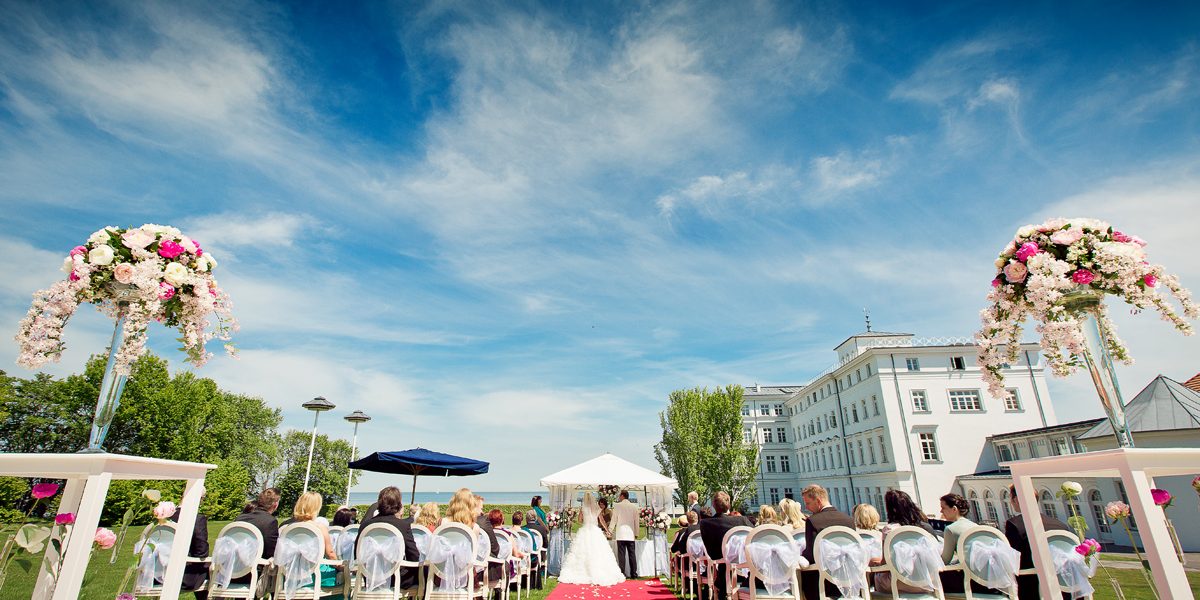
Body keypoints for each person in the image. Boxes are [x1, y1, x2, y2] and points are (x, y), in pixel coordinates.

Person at [1004, 484, 1070, 600]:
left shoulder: (1014, 525)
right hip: (1063, 586)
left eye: (1010, 498)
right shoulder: (1060, 525)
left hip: (1032, 587)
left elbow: (1014, 560)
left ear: (1016, 499)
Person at [352, 487, 420, 590]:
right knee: (423, 573)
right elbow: (414, 556)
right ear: (398, 505)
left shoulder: (365, 525)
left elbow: (357, 553)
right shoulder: (402, 525)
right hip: (395, 579)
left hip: (370, 577)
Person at [871, 490, 936, 594]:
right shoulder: (925, 528)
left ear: (892, 509)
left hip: (898, 582)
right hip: (926, 581)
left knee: (877, 576)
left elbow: (886, 563)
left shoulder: (890, 530)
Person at [557, 492, 626, 585]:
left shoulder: (583, 509)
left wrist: (583, 518)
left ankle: (583, 572)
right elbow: (601, 521)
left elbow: (580, 520)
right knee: (598, 551)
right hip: (595, 531)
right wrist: (607, 530)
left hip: (585, 530)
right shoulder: (597, 508)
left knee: (582, 552)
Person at [799, 484, 854, 600]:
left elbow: (812, 554)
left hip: (822, 581)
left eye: (808, 503)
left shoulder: (813, 521)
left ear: (818, 501)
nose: (806, 507)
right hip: (847, 577)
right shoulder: (849, 520)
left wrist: (800, 556)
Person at [699, 491, 752, 600]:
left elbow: (712, 554)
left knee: (725, 563)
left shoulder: (706, 523)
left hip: (724, 566)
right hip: (747, 565)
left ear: (713, 505)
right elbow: (754, 539)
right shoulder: (743, 520)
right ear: (729, 504)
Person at [286, 492, 340, 589]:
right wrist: (342, 567)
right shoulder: (320, 528)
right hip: (315, 573)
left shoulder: (288, 528)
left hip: (292, 574)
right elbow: (330, 554)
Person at [168, 503, 209, 599]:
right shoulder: (197, 518)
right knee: (210, 567)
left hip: (156, 575)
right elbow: (202, 552)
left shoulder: (163, 517)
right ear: (201, 499)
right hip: (183, 577)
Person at [474, 495, 503, 586]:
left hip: (461, 568)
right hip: (481, 568)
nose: (482, 512)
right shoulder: (483, 522)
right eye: (481, 508)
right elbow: (495, 548)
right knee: (504, 565)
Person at [611, 490, 639, 579]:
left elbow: (614, 520)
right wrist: (637, 532)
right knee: (632, 554)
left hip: (621, 534)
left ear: (622, 496)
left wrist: (610, 530)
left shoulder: (617, 506)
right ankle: (634, 573)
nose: (619, 497)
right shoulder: (634, 507)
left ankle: (622, 573)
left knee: (621, 555)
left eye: (620, 496)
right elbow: (636, 522)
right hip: (630, 534)